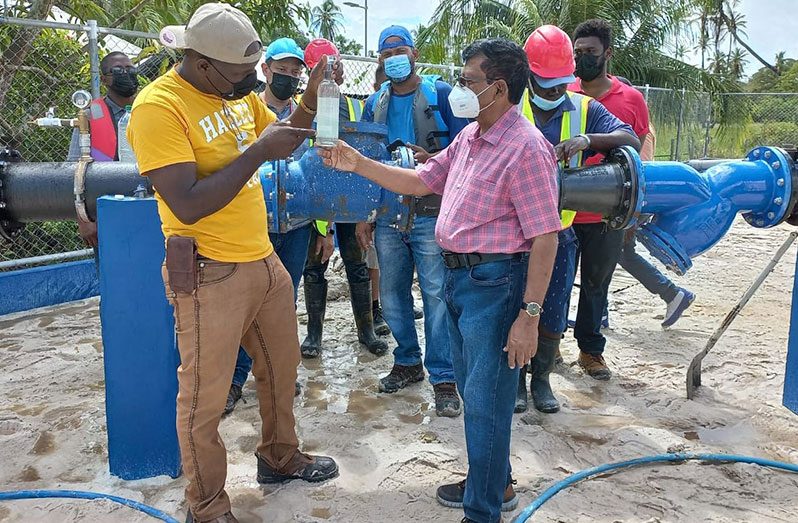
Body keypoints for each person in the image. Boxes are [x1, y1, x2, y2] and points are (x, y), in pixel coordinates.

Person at [319, 37, 562, 523]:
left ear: (497, 88)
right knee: (478, 395)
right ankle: (494, 482)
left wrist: (529, 318)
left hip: (495, 285)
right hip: (461, 281)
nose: (460, 88)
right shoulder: (471, 138)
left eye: (469, 80)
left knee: (487, 403)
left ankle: (482, 509)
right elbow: (420, 180)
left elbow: (546, 238)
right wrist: (358, 163)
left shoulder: (525, 147)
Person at [127, 5, 339, 522]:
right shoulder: (160, 107)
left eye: (254, 72)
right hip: (207, 271)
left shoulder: (234, 94)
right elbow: (187, 202)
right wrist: (256, 155)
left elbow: (285, 135)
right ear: (201, 64)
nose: (251, 83)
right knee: (204, 398)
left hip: (261, 260)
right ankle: (206, 504)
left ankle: (279, 457)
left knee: (281, 368)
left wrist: (313, 94)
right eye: (241, 75)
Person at [514, 25, 640, 414]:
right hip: (513, 232)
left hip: (559, 230)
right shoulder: (508, 103)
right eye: (545, 85)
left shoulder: (585, 108)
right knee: (514, 306)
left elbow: (630, 139)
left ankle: (542, 379)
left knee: (552, 306)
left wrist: (589, 140)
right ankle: (515, 380)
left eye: (560, 84)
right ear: (528, 76)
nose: (553, 93)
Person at [359, 25, 469, 417]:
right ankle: (407, 360)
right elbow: (366, 162)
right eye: (386, 54)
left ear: (415, 53)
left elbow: (465, 149)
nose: (393, 59)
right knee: (391, 293)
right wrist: (365, 216)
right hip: (388, 214)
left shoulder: (440, 96)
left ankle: (443, 376)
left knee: (437, 296)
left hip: (431, 213)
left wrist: (434, 161)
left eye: (400, 51)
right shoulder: (374, 104)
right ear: (379, 61)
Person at [224, 37, 311, 416]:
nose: (289, 77)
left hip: (298, 225)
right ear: (265, 70)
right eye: (283, 70)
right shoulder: (243, 111)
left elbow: (315, 177)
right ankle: (233, 380)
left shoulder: (307, 117)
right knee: (242, 306)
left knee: (284, 304)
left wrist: (322, 232)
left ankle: (278, 375)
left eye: (295, 72)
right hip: (254, 224)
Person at [298, 38, 388, 358]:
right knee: (315, 266)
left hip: (351, 201)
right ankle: (314, 336)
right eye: (321, 70)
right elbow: (309, 167)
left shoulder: (354, 105)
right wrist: (323, 228)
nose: (329, 76)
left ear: (342, 70)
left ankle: (366, 331)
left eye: (333, 68)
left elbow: (363, 158)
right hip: (314, 201)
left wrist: (365, 214)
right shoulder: (304, 109)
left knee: (357, 266)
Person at [601, 74, 696, 328]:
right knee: (613, 253)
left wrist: (632, 211)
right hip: (635, 200)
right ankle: (670, 295)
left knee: (616, 253)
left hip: (632, 201)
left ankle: (672, 293)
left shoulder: (633, 134)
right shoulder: (643, 129)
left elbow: (637, 170)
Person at [68, 51, 139, 248]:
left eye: (130, 69)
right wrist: (83, 220)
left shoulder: (148, 110)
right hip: (104, 210)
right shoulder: (89, 116)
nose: (126, 74)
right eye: (118, 70)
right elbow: (73, 169)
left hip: (147, 203)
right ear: (105, 79)